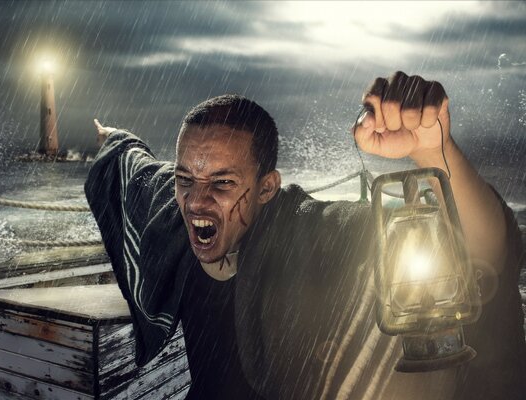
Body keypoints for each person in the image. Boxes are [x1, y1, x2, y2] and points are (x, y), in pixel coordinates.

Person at [84, 71, 526, 399]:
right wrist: (114, 139)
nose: (197, 202)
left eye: (222, 184)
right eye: (186, 178)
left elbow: (476, 250)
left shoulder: (310, 235)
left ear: (267, 188)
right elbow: (135, 169)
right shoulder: (173, 209)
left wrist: (433, 149)